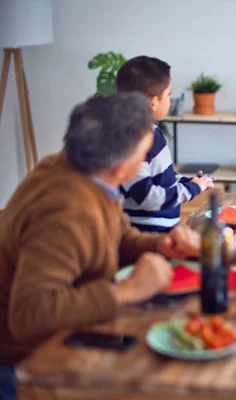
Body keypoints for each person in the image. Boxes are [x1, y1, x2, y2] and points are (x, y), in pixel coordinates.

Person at [0, 93, 202, 400]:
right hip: (22, 364)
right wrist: (128, 290)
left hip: (60, 338)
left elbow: (117, 237)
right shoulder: (66, 210)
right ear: (121, 168)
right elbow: (29, 314)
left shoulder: (77, 170)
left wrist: (162, 244)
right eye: (145, 152)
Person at [116, 55, 214, 233]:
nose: (170, 99)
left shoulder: (149, 133)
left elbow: (160, 179)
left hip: (161, 231)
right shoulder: (134, 140)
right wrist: (192, 189)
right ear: (153, 102)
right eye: (168, 94)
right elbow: (147, 196)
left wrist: (189, 182)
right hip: (146, 236)